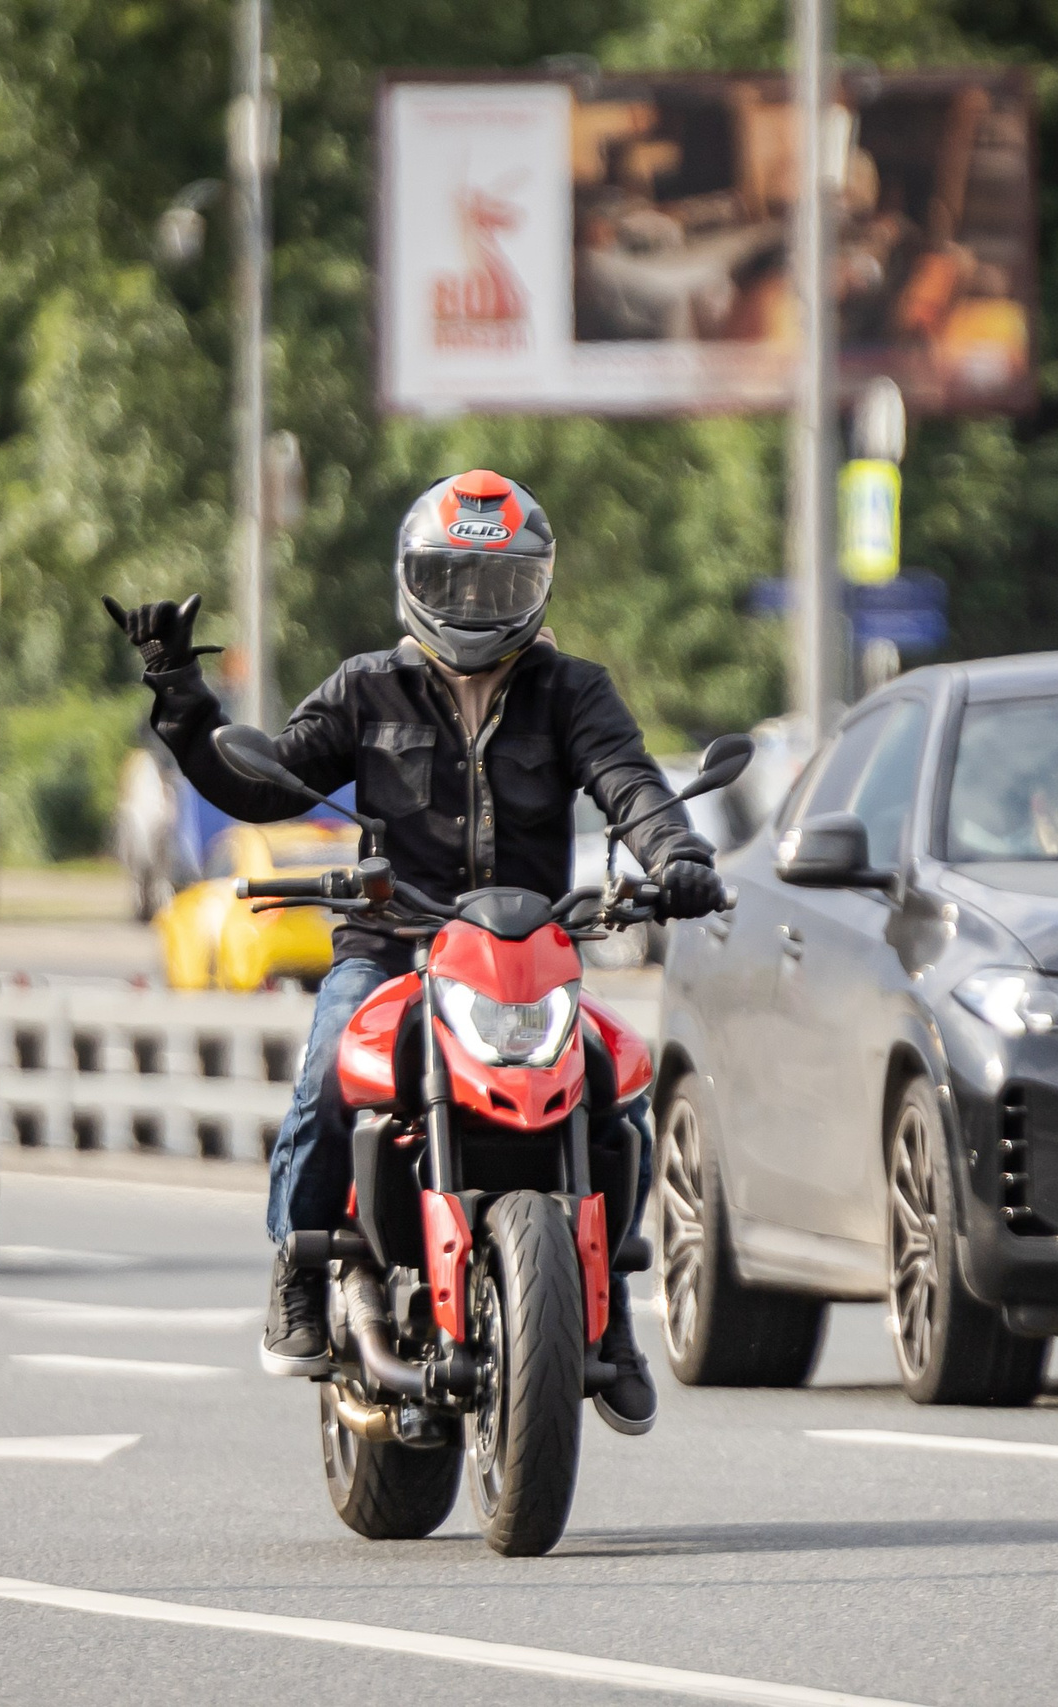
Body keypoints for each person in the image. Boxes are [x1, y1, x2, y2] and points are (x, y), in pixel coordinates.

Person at [104, 469, 723, 1434]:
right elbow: (267, 781)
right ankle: (302, 1268)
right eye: (454, 580)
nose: (475, 605)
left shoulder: (572, 692)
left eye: (499, 583)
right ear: (413, 581)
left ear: (537, 587)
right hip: (394, 947)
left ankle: (610, 1312)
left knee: (616, 1086)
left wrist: (678, 856)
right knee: (326, 1071)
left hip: (529, 956)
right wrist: (183, 698)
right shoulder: (366, 686)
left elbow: (631, 784)